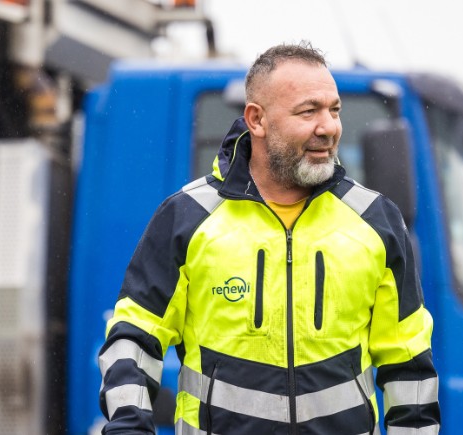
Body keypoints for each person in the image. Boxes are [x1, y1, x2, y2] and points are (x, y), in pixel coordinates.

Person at [96, 41, 439, 434]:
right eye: (308, 111)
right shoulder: (186, 218)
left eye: (334, 110)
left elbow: (409, 365)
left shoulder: (376, 220)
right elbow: (133, 341)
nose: (328, 127)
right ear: (256, 120)